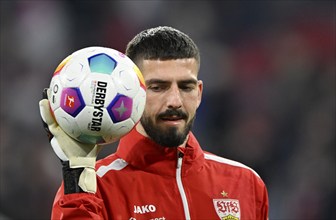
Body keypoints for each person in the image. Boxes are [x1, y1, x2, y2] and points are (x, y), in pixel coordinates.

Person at [39, 26, 269, 220]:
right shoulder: (94, 188)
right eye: (158, 87)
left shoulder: (245, 182)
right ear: (133, 96)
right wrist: (77, 180)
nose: (175, 101)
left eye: (186, 87)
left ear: (199, 93)